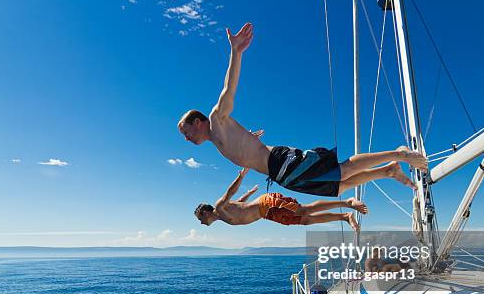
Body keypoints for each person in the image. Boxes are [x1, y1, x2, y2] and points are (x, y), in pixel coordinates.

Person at [178, 22, 427, 197]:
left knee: (342, 170)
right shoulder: (219, 139)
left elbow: (228, 90)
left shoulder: (216, 117)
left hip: (280, 163)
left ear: (198, 121)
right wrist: (249, 138)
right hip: (279, 175)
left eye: (185, 131)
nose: (186, 138)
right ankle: (387, 171)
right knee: (336, 187)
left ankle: (399, 154)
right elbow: (243, 146)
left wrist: (236, 52)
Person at [194, 168, 368, 230]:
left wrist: (242, 174)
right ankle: (344, 216)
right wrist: (250, 192)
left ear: (205, 212)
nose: (201, 223)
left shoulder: (219, 206)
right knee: (305, 220)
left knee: (303, 210)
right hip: (268, 214)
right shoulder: (224, 214)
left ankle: (347, 202)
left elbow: (230, 193)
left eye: (200, 218)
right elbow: (239, 201)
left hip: (267, 204)